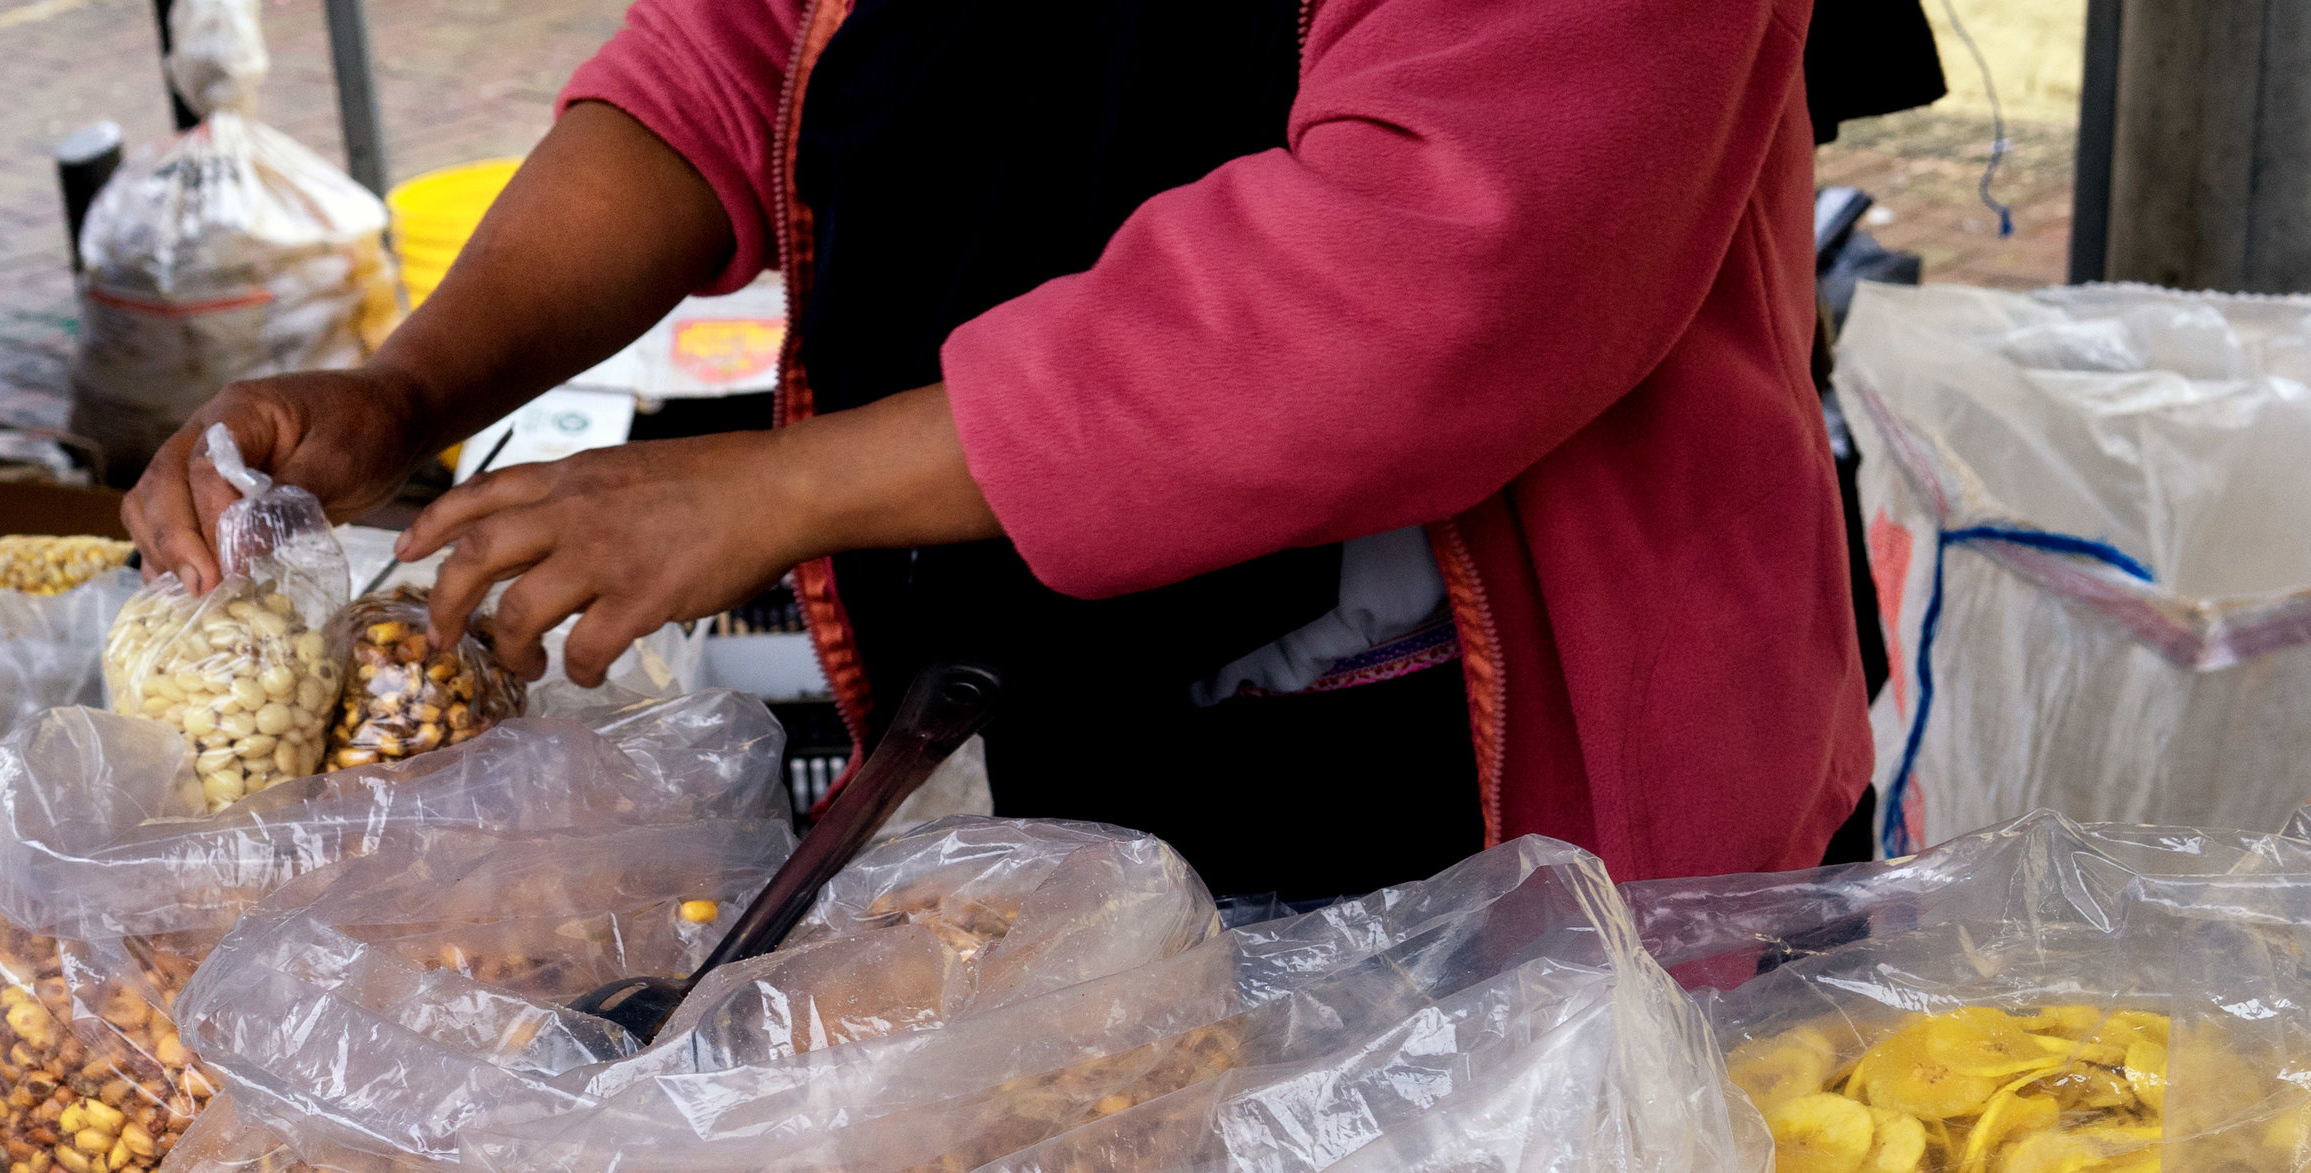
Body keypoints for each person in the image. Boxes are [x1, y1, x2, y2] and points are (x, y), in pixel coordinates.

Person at [126, 0, 1871, 899]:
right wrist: (409, 389)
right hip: (1086, 738)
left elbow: (1433, 273)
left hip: (1526, 798)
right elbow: (737, 55)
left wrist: (778, 490)